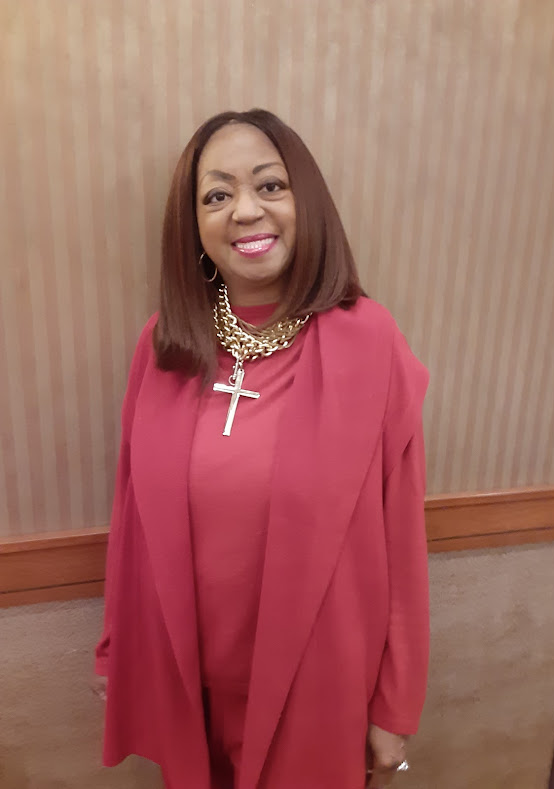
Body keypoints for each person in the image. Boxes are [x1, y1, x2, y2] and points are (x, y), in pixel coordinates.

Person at [94, 109, 429, 789]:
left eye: (270, 186)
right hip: (190, 682)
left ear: (306, 201)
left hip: (319, 683)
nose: (245, 210)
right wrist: (115, 650)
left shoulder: (368, 340)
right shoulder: (164, 345)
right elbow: (132, 514)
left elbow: (402, 535)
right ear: (193, 227)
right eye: (217, 195)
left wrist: (396, 703)